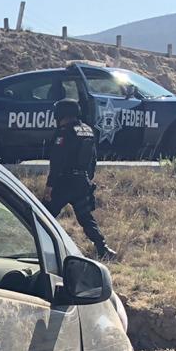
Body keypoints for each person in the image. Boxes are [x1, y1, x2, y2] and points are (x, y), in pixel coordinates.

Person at [43, 98, 116, 260]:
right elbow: (93, 159)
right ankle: (102, 247)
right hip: (82, 182)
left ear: (62, 114)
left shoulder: (63, 133)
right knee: (86, 217)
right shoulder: (87, 131)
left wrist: (49, 186)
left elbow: (57, 162)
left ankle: (36, 244)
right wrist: (87, 179)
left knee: (43, 215)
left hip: (64, 183)